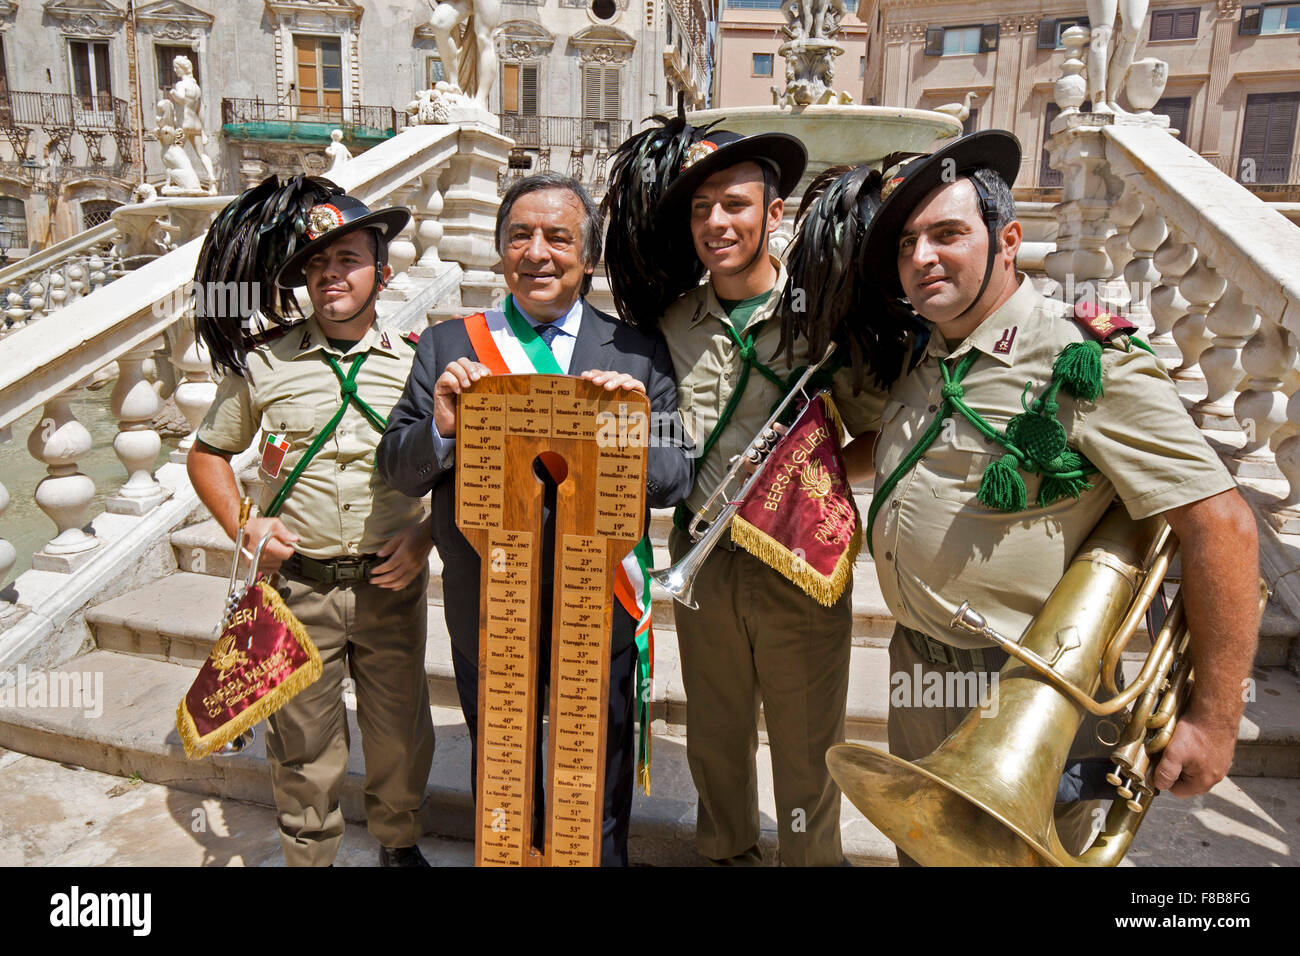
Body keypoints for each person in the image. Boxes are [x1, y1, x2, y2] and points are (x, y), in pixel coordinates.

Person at [848, 130, 1260, 864]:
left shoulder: (1085, 359)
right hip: (919, 669)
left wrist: (1216, 719)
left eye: (947, 234)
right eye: (907, 242)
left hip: (1034, 687)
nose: (921, 258)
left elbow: (1221, 524)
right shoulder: (928, 353)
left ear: (1007, 240)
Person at [377, 173, 693, 866]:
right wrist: (444, 429)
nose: (538, 252)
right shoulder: (449, 346)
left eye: (558, 237)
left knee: (594, 762)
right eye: (520, 235)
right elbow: (397, 467)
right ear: (498, 252)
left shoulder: (636, 353)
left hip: (598, 599)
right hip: (489, 599)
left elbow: (676, 477)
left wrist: (630, 426)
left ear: (588, 257)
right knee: (501, 758)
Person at [604, 122, 886, 866]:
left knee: (806, 740)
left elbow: (884, 432)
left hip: (801, 557)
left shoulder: (824, 315)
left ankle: (808, 860)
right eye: (701, 210)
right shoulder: (670, 325)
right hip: (703, 549)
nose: (716, 224)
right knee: (716, 731)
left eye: (735, 205)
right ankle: (725, 852)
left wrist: (810, 473)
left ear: (776, 216)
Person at [187, 183, 437, 867]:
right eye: (317, 263)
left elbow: (465, 464)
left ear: (381, 273)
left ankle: (397, 843)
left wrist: (425, 536)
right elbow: (208, 454)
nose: (331, 275)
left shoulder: (420, 359)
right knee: (302, 741)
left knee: (399, 733)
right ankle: (308, 853)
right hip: (298, 591)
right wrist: (247, 524)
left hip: (392, 586)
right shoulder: (267, 361)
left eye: (349, 260)